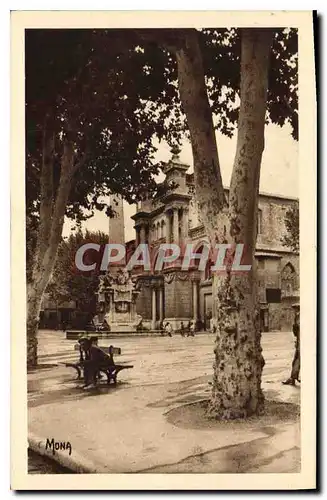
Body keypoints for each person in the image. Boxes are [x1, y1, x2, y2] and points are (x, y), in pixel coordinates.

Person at [282, 306, 300, 386]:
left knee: (297, 360)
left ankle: (293, 378)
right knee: (296, 360)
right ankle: (293, 378)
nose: (294, 312)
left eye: (295, 310)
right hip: (300, 342)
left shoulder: (299, 317)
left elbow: (296, 331)